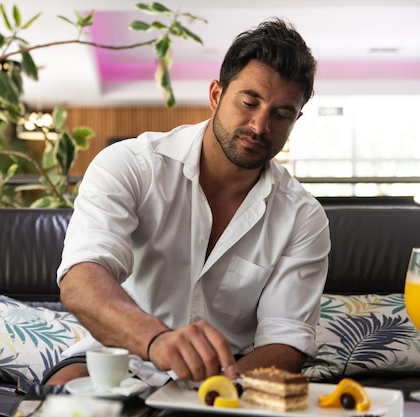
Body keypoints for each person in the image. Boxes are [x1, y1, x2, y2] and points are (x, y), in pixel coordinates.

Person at [46, 18, 331, 386]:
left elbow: (286, 341)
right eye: (249, 102)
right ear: (216, 95)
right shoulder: (131, 164)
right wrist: (156, 340)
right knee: (62, 399)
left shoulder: (302, 217)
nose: (260, 126)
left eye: (281, 114)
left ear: (296, 119)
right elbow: (81, 279)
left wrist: (203, 390)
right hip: (117, 353)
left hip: (228, 373)